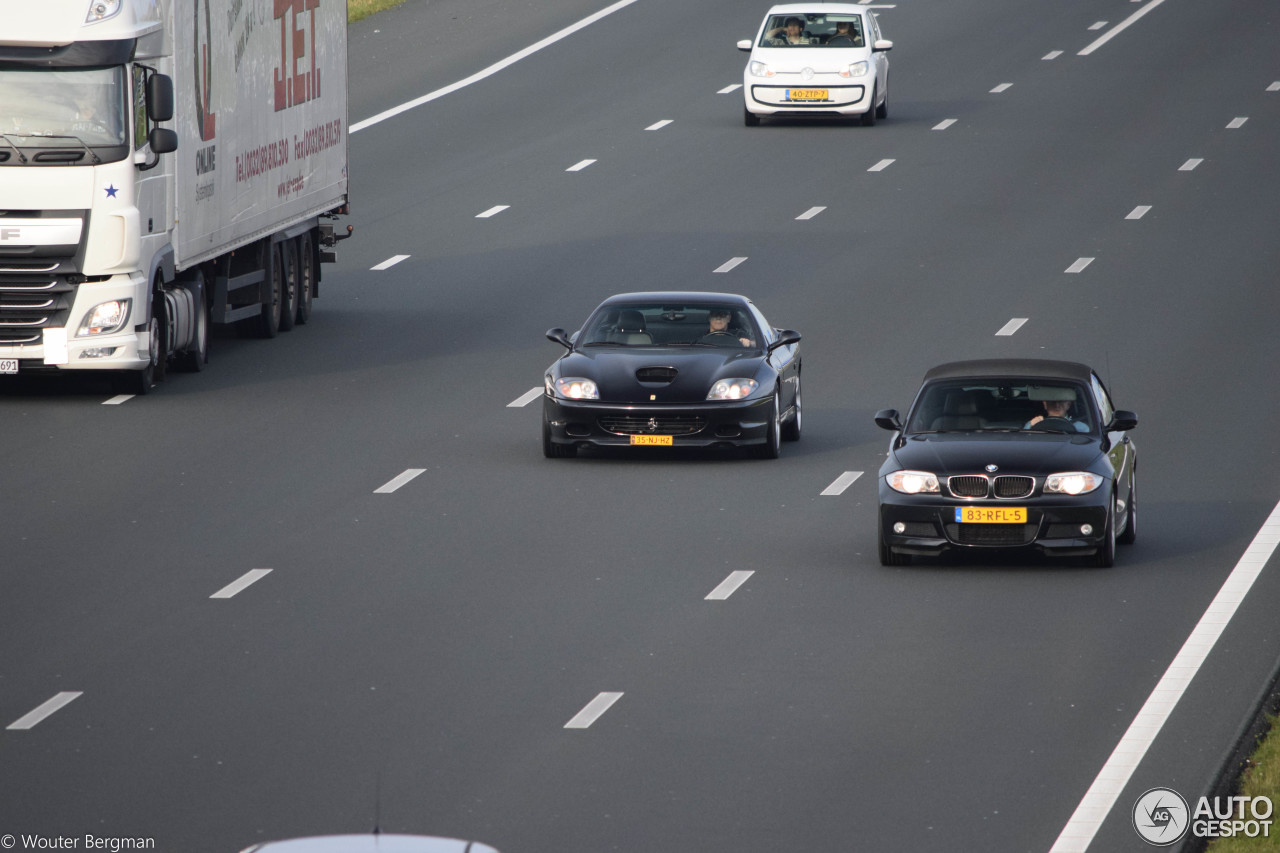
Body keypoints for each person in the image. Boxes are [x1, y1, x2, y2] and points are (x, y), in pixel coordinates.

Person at [1025, 399, 1089, 432]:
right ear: (1045, 404)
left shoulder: (1080, 427)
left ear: (1068, 405)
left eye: (1061, 401)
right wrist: (1030, 426)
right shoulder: (1033, 424)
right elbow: (1024, 442)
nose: (1057, 405)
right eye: (1052, 401)